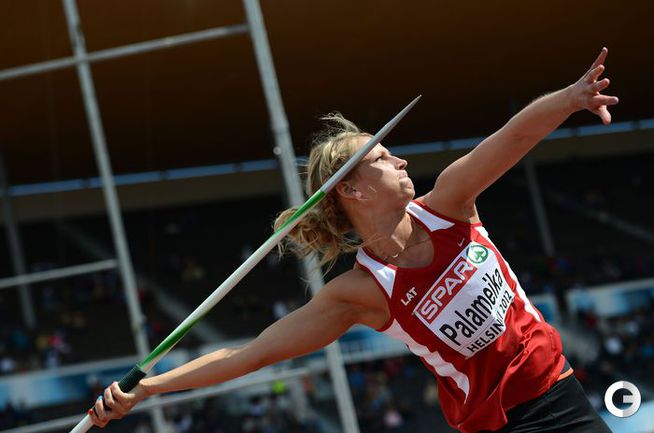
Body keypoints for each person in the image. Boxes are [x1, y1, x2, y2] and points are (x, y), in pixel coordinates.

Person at [89, 48, 618, 433]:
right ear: (352, 190)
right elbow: (249, 355)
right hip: (499, 426)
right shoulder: (361, 293)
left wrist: (570, 99)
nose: (402, 160)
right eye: (383, 158)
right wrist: (148, 388)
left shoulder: (451, 205)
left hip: (560, 395)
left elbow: (514, 136)